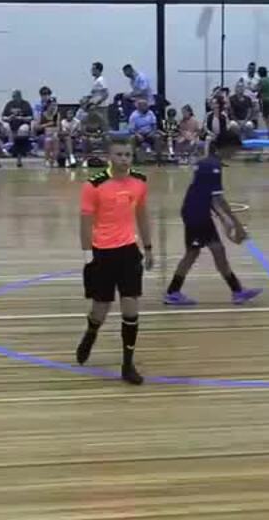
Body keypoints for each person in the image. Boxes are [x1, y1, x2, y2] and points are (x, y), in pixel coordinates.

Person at [75, 137, 153, 385]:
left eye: (128, 155)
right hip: (102, 254)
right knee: (101, 308)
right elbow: (85, 223)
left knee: (131, 308)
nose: (124, 159)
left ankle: (127, 364)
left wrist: (148, 248)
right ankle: (91, 332)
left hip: (129, 252)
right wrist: (88, 256)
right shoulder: (94, 186)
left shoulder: (139, 182)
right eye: (119, 155)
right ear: (110, 157)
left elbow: (142, 214)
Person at [162, 130, 263, 306]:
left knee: (217, 250)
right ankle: (172, 292)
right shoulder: (213, 167)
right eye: (234, 150)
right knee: (192, 254)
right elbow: (219, 199)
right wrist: (236, 225)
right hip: (196, 215)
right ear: (227, 147)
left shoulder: (208, 163)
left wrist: (224, 220)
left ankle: (237, 291)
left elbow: (207, 196)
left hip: (198, 212)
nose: (235, 154)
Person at [127, 98, 161, 163]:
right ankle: (134, 158)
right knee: (132, 138)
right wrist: (138, 135)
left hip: (149, 133)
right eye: (145, 105)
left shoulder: (150, 113)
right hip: (138, 134)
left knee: (157, 137)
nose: (147, 106)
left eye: (147, 105)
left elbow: (154, 125)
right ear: (139, 107)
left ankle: (158, 159)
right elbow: (131, 129)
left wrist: (152, 132)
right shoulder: (134, 115)